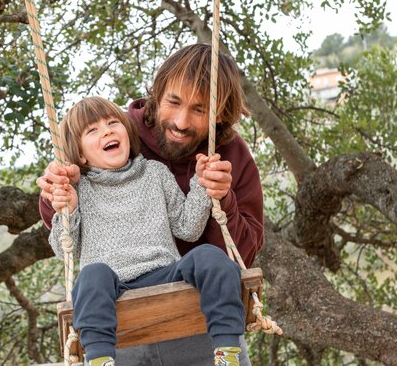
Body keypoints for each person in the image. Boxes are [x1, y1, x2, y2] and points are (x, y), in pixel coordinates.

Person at [38, 43, 264, 366]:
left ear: (219, 116)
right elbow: (65, 243)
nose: (182, 121)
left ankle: (225, 354)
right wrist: (59, 195)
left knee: (210, 259)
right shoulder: (92, 168)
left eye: (199, 110)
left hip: (188, 309)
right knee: (92, 276)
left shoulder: (218, 158)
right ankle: (99, 361)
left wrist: (211, 190)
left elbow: (195, 229)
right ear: (157, 95)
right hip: (120, 324)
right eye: (173, 102)